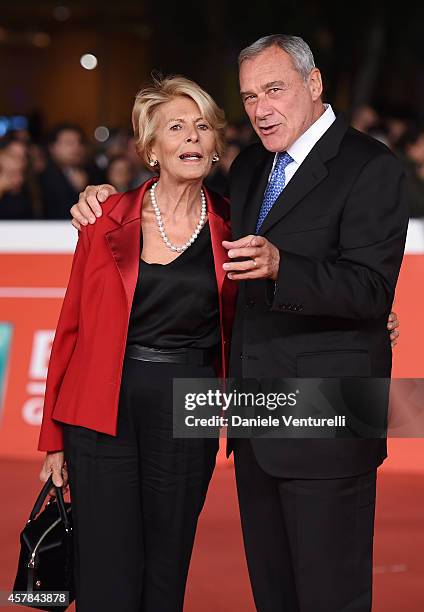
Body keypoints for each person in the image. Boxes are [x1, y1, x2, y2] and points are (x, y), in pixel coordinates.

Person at [70, 35, 406, 612]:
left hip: (330, 419)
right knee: (272, 592)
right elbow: (182, 213)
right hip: (254, 418)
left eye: (274, 90)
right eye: (250, 96)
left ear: (315, 84)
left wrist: (287, 269)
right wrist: (107, 196)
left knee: (330, 593)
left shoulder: (371, 166)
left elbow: (371, 289)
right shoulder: (252, 165)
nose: (260, 108)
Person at [38, 75, 236, 612]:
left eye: (202, 127)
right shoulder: (104, 217)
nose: (192, 137)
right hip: (101, 408)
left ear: (217, 145)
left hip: (187, 407)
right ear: (151, 148)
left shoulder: (235, 224)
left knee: (167, 568)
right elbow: (70, 328)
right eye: (176, 127)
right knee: (105, 570)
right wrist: (53, 435)